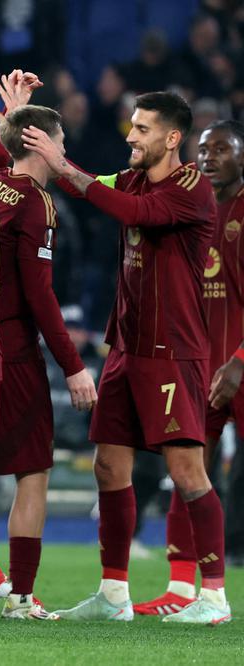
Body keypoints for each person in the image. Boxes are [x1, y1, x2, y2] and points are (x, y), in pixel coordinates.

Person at [23, 91, 231, 625]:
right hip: (127, 347)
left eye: (141, 129)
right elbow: (85, 184)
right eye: (131, 127)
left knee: (188, 470)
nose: (131, 136)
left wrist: (63, 161)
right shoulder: (133, 177)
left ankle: (212, 598)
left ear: (171, 138)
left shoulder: (193, 189)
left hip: (173, 351)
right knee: (109, 465)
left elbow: (127, 209)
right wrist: (21, 125)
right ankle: (114, 595)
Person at [0, 74, 99, 620]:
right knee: (34, 472)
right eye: (59, 144)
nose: (63, 153)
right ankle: (21, 596)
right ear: (40, 145)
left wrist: (11, 116)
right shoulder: (36, 204)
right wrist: (73, 367)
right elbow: (42, 298)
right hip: (14, 353)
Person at [133, 119, 244, 615]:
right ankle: (181, 590)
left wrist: (240, 361)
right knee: (186, 471)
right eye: (204, 148)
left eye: (222, 148)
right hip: (202, 367)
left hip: (237, 366)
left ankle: (210, 592)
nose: (209, 156)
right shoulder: (191, 204)